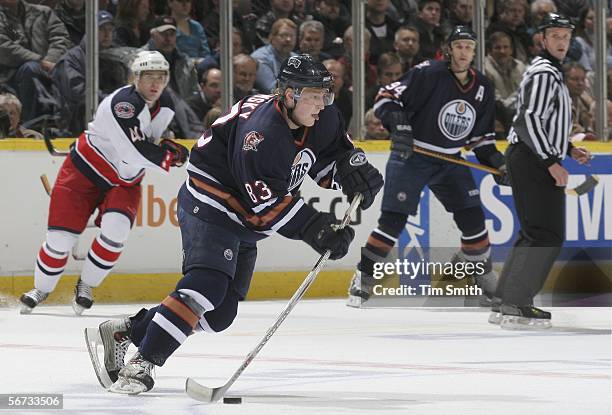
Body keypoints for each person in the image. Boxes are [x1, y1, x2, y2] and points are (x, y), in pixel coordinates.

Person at [86, 54, 383, 395]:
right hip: (211, 204)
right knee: (206, 286)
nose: (322, 104)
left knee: (218, 316)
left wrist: (351, 173)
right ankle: (142, 363)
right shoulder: (261, 134)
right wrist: (316, 227)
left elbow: (327, 157)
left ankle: (128, 330)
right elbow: (266, 203)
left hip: (247, 220)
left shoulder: (323, 117)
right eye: (313, 96)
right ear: (289, 95)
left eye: (324, 95)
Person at [347, 26, 510, 307]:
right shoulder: (427, 73)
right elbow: (386, 98)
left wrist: (497, 163)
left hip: (450, 159)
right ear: (448, 49)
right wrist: (399, 125)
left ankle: (480, 275)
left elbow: (480, 139)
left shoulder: (483, 86)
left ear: (474, 51)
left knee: (473, 220)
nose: (463, 52)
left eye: (468, 47)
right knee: (393, 221)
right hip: (412, 156)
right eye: (458, 46)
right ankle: (364, 276)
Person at [19, 51, 189, 315]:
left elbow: (147, 140)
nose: (155, 84)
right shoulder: (123, 103)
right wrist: (168, 156)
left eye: (161, 77)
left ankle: (86, 285)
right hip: (84, 170)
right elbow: (132, 150)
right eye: (148, 78)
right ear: (136, 78)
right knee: (60, 240)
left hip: (124, 179)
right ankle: (41, 288)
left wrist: (164, 144)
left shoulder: (165, 102)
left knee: (117, 231)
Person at [490, 13, 591, 330]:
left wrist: (567, 148)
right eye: (555, 36)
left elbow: (542, 121)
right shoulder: (544, 72)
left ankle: (507, 300)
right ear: (542, 40)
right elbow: (528, 120)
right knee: (546, 233)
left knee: (535, 231)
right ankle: (516, 302)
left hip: (532, 155)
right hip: (532, 158)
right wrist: (551, 161)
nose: (562, 42)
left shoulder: (550, 73)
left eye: (566, 36)